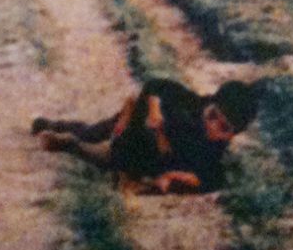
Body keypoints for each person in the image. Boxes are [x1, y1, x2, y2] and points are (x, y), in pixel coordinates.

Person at [31, 78, 257, 193]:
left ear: (232, 135)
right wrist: (155, 111)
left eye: (223, 128)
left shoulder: (214, 152)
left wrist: (177, 177)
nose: (212, 126)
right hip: (135, 125)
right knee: (93, 133)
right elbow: (154, 85)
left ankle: (75, 147)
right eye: (212, 115)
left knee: (111, 158)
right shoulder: (191, 102)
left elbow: (209, 179)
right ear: (209, 103)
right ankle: (56, 127)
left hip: (150, 154)